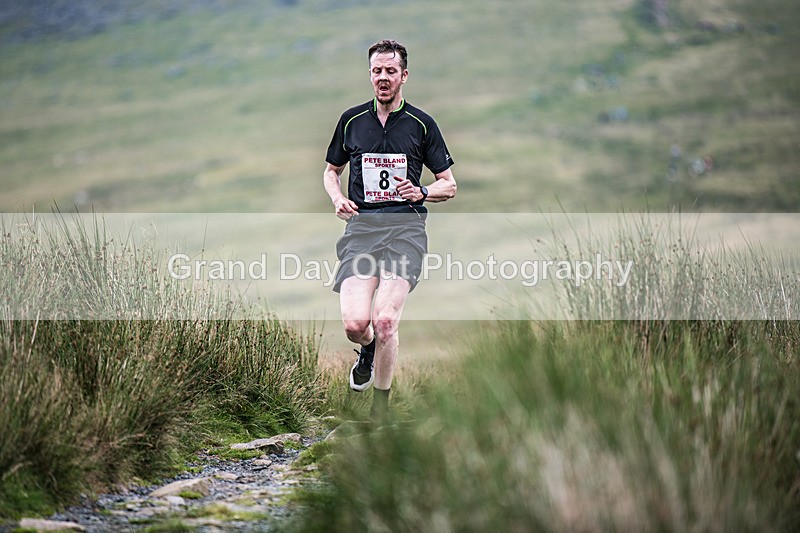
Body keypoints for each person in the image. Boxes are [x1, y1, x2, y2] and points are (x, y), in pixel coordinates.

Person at [322, 39, 457, 420]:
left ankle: (380, 411)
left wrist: (424, 190)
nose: (383, 78)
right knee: (355, 324)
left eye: (391, 71)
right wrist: (337, 199)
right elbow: (331, 171)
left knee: (385, 321)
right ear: (370, 75)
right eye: (377, 71)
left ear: (404, 76)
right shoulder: (351, 121)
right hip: (362, 231)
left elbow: (449, 183)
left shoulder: (421, 124)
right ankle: (366, 350)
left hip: (405, 231)